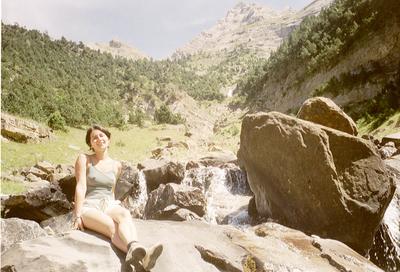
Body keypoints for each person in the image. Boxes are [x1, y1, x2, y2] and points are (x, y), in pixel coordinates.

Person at [73, 125, 163, 271]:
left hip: (108, 203)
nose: (98, 139)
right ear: (90, 144)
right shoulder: (84, 159)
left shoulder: (117, 165)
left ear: (108, 139)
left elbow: (112, 191)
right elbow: (81, 186)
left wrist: (115, 207)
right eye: (94, 137)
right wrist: (77, 215)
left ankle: (134, 246)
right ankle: (142, 255)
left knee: (124, 214)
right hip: (90, 206)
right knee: (111, 226)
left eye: (101, 136)